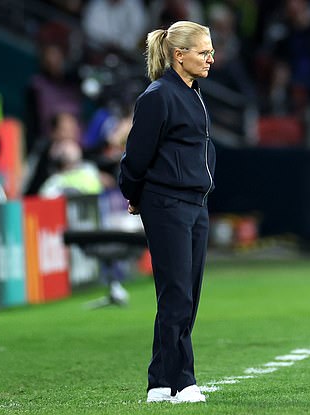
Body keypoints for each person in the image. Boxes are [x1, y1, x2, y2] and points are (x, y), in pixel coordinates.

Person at [118, 20, 216, 404]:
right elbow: (136, 156)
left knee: (187, 293)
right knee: (176, 294)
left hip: (196, 204)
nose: (211, 58)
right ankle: (181, 381)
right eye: (203, 51)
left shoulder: (194, 93)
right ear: (179, 55)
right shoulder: (158, 95)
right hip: (167, 204)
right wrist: (135, 194)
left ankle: (161, 381)